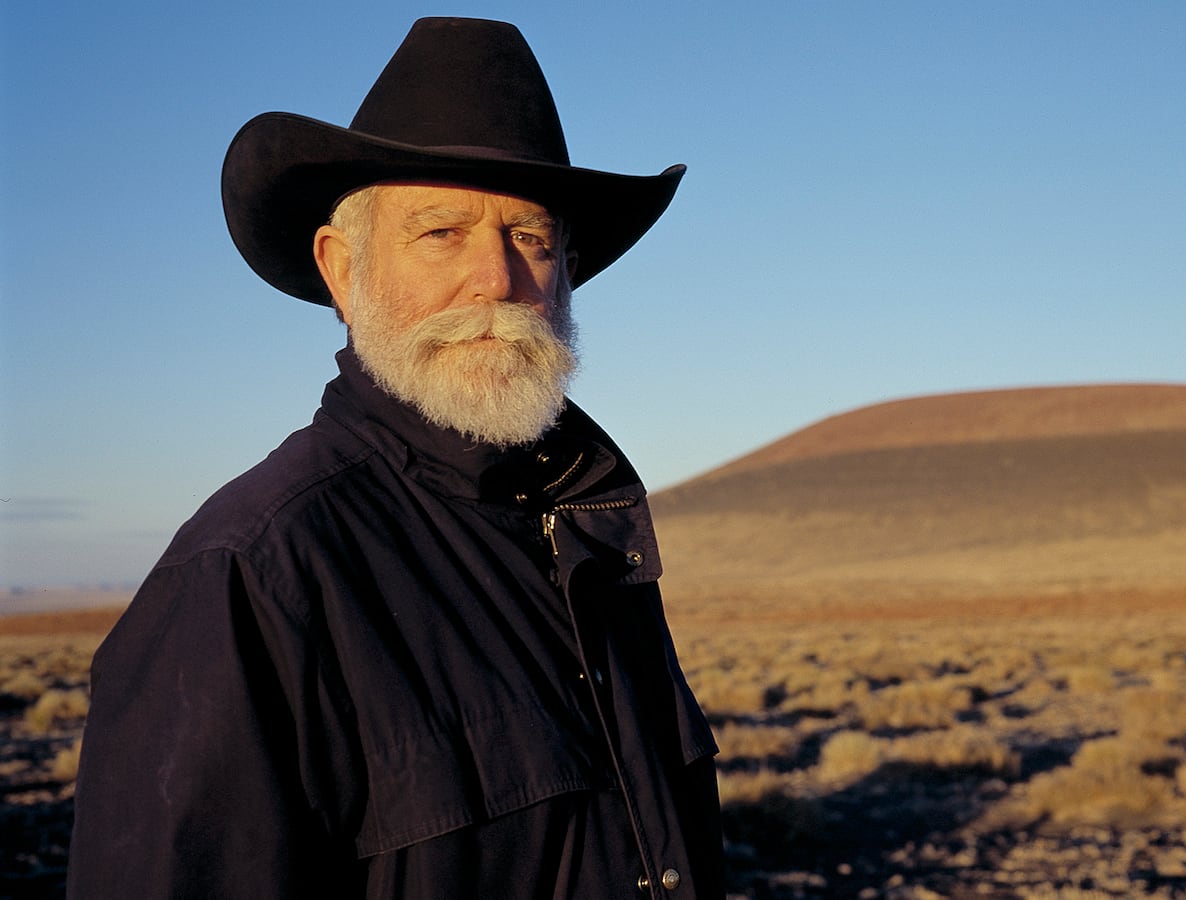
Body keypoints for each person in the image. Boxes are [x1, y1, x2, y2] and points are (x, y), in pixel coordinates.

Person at [66, 17, 722, 899]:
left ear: (566, 271)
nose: (497, 281)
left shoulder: (590, 538)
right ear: (343, 270)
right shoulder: (254, 576)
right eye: (441, 232)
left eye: (530, 238)